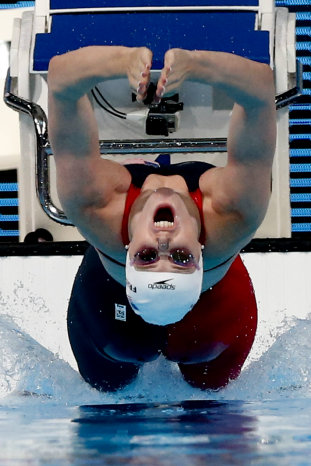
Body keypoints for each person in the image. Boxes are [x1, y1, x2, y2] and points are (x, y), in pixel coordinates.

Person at [48, 46, 276, 391]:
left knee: (109, 399)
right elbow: (261, 90)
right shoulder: (235, 212)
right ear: (200, 255)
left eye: (148, 256)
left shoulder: (95, 205)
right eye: (181, 258)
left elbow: (61, 78)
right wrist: (197, 64)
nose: (163, 242)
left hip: (109, 321)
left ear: (127, 252)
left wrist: (120, 63)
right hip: (214, 325)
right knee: (211, 407)